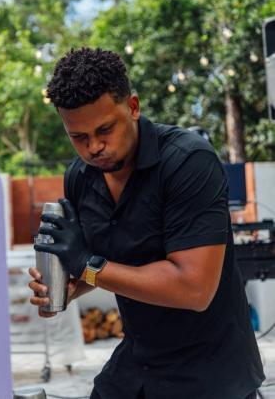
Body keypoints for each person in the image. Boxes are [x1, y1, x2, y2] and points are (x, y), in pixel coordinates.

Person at [29, 48, 265, 399]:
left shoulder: (188, 162)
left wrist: (87, 266)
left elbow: (194, 289)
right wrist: (68, 286)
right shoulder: (80, 178)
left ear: (134, 107)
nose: (94, 147)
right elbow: (106, 264)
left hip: (211, 371)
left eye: (105, 129)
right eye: (78, 137)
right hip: (137, 361)